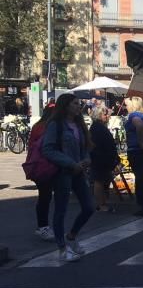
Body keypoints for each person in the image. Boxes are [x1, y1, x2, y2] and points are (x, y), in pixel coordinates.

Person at [41, 94, 95, 262]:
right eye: (75, 104)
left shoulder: (79, 125)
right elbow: (48, 149)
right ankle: (62, 248)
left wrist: (86, 159)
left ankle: (71, 235)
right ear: (65, 105)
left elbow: (84, 146)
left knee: (89, 207)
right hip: (63, 172)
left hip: (78, 171)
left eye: (79, 104)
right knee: (61, 210)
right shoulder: (55, 125)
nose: (79, 106)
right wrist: (70, 163)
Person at [28, 103, 57, 241]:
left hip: (38, 165)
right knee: (46, 197)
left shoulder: (37, 126)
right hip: (47, 165)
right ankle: (43, 226)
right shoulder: (48, 127)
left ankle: (43, 226)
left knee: (44, 196)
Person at [89, 104, 120, 213]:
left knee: (102, 180)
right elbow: (97, 145)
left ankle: (103, 202)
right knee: (99, 181)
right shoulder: (97, 128)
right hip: (99, 159)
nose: (108, 116)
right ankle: (100, 204)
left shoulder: (99, 126)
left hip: (103, 159)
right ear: (99, 115)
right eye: (105, 114)